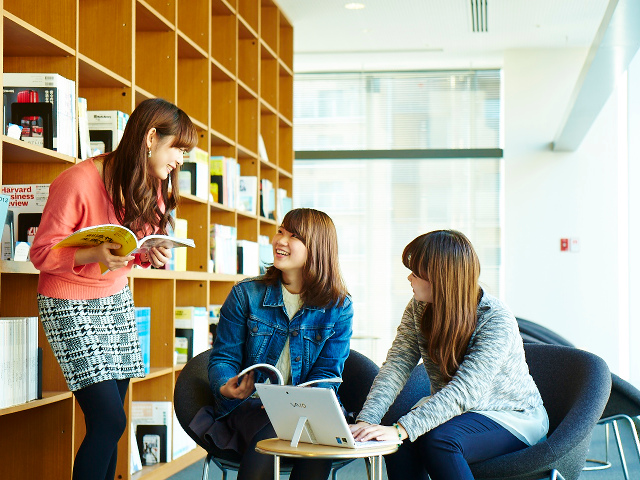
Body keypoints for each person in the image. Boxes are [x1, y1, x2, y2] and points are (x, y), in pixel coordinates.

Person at [30, 98, 198, 480]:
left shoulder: (149, 184)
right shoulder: (77, 181)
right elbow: (41, 253)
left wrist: (146, 255)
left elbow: (128, 250)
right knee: (109, 421)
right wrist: (92, 252)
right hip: (67, 301)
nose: (180, 161)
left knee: (111, 423)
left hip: (115, 299)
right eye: (178, 149)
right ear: (152, 137)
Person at [350, 230, 549, 480]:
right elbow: (397, 365)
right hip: (459, 413)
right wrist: (368, 420)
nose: (409, 277)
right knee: (398, 441)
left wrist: (402, 429)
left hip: (512, 415)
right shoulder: (419, 307)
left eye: (416, 272)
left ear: (439, 278)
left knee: (439, 440)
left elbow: (466, 390)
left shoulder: (494, 318)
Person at [196, 208, 353, 480]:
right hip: (252, 406)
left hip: (309, 409)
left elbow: (328, 372)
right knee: (274, 437)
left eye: (294, 236)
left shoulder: (339, 306)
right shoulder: (246, 294)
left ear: (317, 248)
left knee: (316, 437)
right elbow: (224, 358)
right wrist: (226, 385)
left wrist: (295, 404)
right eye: (280, 231)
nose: (280, 240)